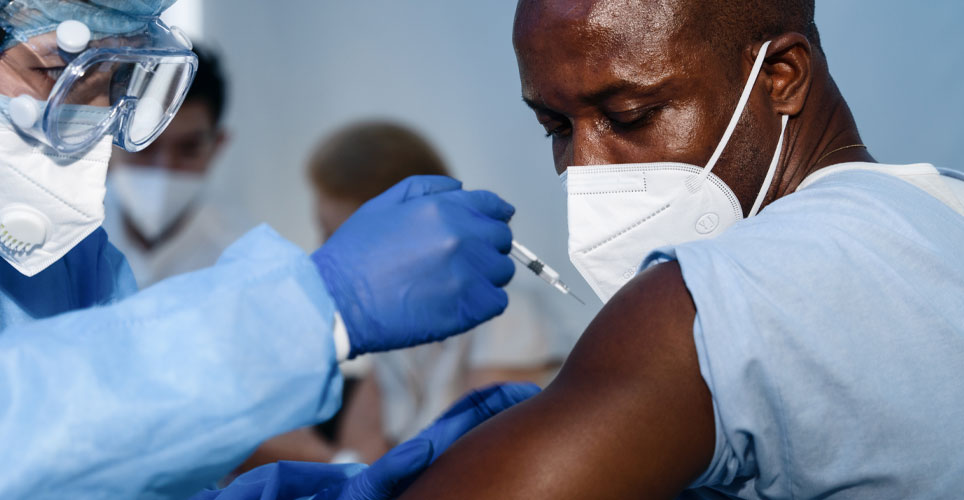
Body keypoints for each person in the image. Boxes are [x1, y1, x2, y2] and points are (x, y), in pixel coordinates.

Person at [395, 0, 964, 498]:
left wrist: (322, 314)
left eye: (630, 116)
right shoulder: (939, 206)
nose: (584, 171)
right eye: (557, 128)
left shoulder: (714, 296)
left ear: (780, 76)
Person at [0, 1, 524, 498]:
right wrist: (316, 309)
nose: (94, 119)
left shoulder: (75, 253)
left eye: (116, 78)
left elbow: (100, 462)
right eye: (56, 68)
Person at [307, 121, 569, 463]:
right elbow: (355, 458)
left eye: (334, 238)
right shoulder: (394, 326)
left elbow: (481, 461)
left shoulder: (511, 315)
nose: (321, 254)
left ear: (408, 229)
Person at [104, 45, 246, 288]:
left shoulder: (242, 258)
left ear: (217, 146)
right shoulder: (63, 239)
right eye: (143, 143)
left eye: (189, 147)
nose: (165, 167)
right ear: (110, 138)